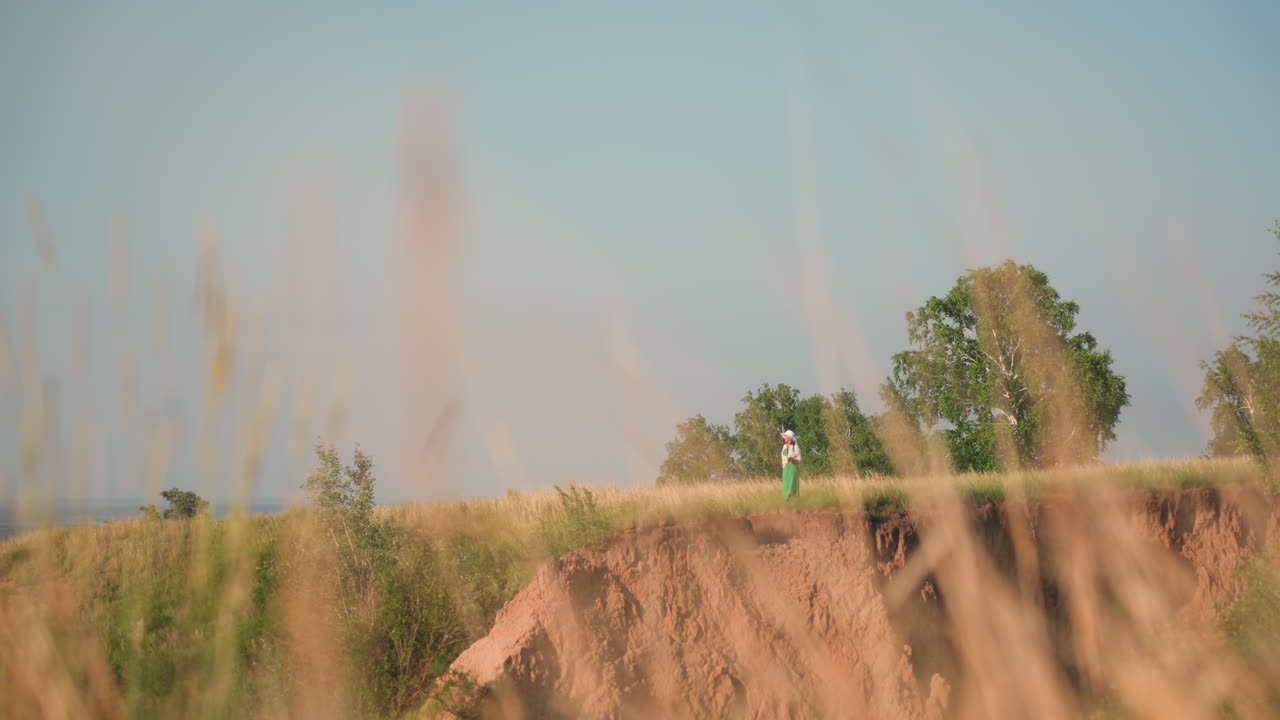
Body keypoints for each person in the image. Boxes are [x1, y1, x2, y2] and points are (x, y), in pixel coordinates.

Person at [781, 430, 801, 500]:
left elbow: (799, 459)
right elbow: (783, 458)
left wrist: (792, 459)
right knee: (786, 486)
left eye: (786, 436)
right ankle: (787, 501)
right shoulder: (784, 446)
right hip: (786, 468)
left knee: (793, 485)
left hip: (793, 468)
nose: (785, 437)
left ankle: (796, 501)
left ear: (790, 437)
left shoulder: (795, 447)